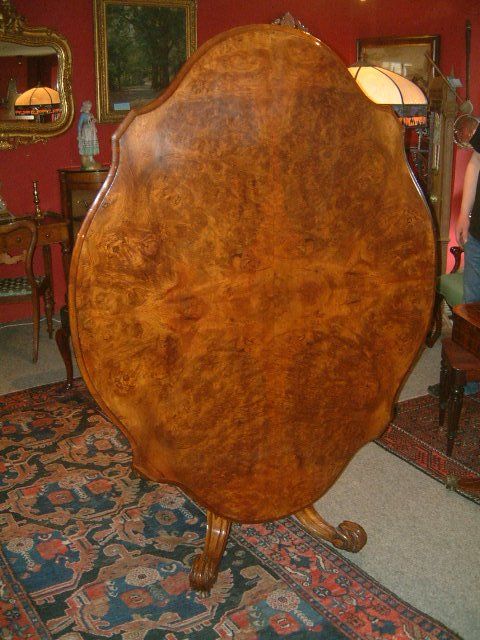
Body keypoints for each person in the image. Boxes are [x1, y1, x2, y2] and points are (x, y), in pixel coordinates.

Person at [77, 100, 101, 170]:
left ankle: (91, 158)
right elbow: (79, 125)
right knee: (88, 144)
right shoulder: (83, 115)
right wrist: (79, 133)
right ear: (85, 107)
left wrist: (94, 121)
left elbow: (93, 121)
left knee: (92, 143)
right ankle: (88, 159)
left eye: (90, 106)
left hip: (91, 131)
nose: (89, 108)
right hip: (86, 131)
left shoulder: (91, 114)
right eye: (88, 106)